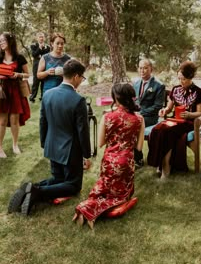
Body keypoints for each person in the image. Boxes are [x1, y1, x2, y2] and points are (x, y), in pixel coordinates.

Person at [8, 59, 91, 215]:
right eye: (82, 77)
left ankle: (29, 188)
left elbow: (42, 122)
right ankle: (36, 192)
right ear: (75, 77)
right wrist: (86, 155)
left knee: (58, 179)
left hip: (52, 145)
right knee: (73, 185)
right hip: (70, 151)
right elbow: (82, 131)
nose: (81, 81)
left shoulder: (47, 94)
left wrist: (44, 143)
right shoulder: (78, 100)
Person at [72, 83, 145, 230]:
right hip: (127, 162)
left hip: (110, 161)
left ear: (116, 99)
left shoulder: (107, 116)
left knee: (103, 191)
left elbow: (100, 143)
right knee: (120, 196)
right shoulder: (139, 119)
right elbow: (139, 147)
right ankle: (97, 208)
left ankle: (86, 207)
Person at [147, 60, 201, 179]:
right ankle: (160, 163)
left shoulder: (199, 92)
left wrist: (189, 114)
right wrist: (164, 111)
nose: (181, 81)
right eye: (179, 78)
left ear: (190, 77)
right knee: (157, 130)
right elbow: (169, 107)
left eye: (183, 79)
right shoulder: (175, 89)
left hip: (189, 123)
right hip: (175, 121)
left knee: (166, 132)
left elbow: (200, 113)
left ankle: (166, 168)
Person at [0, 32, 30, 158]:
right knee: (2, 120)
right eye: (0, 41)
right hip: (2, 91)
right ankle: (0, 148)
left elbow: (27, 74)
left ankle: (15, 145)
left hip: (16, 90)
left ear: (10, 42)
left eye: (3, 41)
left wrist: (18, 75)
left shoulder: (20, 57)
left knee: (14, 120)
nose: (1, 43)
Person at [133, 58, 165, 167]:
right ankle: (127, 156)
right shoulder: (136, 83)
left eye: (145, 68)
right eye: (140, 68)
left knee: (133, 124)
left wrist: (141, 113)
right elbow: (133, 100)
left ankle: (138, 159)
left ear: (151, 69)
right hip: (137, 115)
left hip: (151, 117)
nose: (142, 71)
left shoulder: (159, 85)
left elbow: (157, 106)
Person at [29, 32, 50, 103]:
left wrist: (41, 52)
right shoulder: (34, 45)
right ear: (37, 38)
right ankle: (32, 97)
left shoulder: (48, 46)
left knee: (44, 81)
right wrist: (40, 48)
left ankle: (43, 96)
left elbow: (47, 56)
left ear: (44, 38)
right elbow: (34, 54)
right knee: (36, 81)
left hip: (45, 66)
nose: (41, 38)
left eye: (42, 37)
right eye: (40, 37)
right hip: (36, 65)